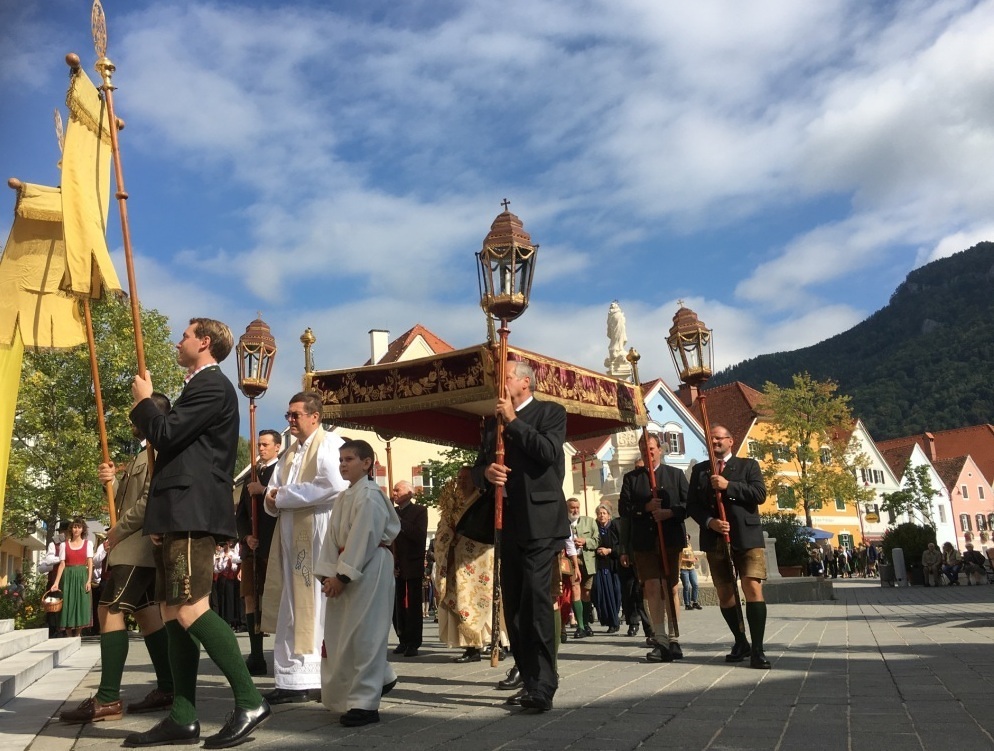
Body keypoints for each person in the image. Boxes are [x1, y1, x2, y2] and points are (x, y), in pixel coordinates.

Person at [124, 317, 268, 749]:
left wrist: (145, 402)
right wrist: (159, 518)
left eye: (185, 336)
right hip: (177, 511)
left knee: (189, 607)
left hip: (191, 511)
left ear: (204, 342)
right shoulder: (198, 386)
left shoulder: (212, 385)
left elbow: (166, 435)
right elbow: (180, 452)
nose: (178, 342)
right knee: (172, 612)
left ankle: (250, 700)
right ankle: (183, 718)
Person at [60, 395, 176, 725]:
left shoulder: (157, 452)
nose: (132, 416)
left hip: (136, 546)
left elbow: (149, 501)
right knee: (147, 613)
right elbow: (124, 501)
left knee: (109, 609)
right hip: (130, 544)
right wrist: (109, 483)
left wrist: (117, 532)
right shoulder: (141, 453)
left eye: (138, 410)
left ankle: (108, 698)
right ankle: (169, 688)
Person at [473, 358, 569, 713]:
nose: (501, 383)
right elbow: (476, 468)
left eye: (507, 377)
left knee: (535, 601)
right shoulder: (491, 424)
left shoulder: (550, 413)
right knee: (513, 605)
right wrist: (487, 472)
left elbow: (547, 452)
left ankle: (544, 683)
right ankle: (529, 679)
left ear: (525, 383)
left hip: (540, 522)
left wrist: (513, 421)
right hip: (507, 521)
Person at [261, 391, 348, 704]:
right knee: (291, 603)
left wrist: (283, 497)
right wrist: (273, 500)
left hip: (318, 530)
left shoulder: (330, 445)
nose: (290, 420)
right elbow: (272, 489)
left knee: (315, 603)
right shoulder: (289, 452)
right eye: (288, 415)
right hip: (290, 532)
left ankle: (315, 676)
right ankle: (291, 679)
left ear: (315, 416)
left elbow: (334, 484)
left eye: (295, 415)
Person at [316, 439, 401, 727]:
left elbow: (365, 536)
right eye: (340, 460)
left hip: (370, 565)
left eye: (349, 459)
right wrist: (328, 575)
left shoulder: (370, 496)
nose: (342, 464)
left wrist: (342, 576)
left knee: (367, 633)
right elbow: (331, 538)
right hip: (347, 566)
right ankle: (382, 677)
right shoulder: (344, 496)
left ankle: (365, 703)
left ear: (367, 463)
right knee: (344, 634)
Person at [687, 424, 770, 670]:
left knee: (751, 586)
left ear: (730, 441)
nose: (715, 443)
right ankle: (740, 641)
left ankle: (758, 649)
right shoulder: (700, 471)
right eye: (711, 439)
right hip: (715, 538)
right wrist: (709, 521)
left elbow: (759, 494)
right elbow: (692, 505)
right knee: (725, 592)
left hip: (746, 536)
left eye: (719, 439)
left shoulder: (748, 465)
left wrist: (728, 486)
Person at [618, 433, 689, 662]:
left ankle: (674, 637)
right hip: (645, 541)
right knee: (651, 587)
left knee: (671, 587)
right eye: (643, 448)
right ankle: (660, 639)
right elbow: (624, 509)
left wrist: (670, 512)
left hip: (670, 539)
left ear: (659, 449)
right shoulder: (632, 478)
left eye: (650, 448)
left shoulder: (675, 474)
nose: (647, 452)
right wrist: (645, 508)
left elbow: (688, 505)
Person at [434, 467, 508, 663]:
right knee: (463, 602)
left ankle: (497, 644)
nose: (461, 481)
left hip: (482, 562)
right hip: (460, 564)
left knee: (489, 601)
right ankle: (471, 648)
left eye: (466, 478)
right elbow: (442, 531)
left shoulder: (483, 501)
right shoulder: (453, 504)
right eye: (459, 478)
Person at [235, 428, 281, 676]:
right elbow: (241, 514)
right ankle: (256, 655)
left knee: (275, 597)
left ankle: (283, 653)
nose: (261, 449)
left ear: (277, 447)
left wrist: (262, 489)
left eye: (265, 445)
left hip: (274, 545)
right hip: (252, 547)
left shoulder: (281, 471)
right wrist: (246, 536)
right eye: (259, 445)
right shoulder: (250, 475)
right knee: (250, 597)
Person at [391, 480, 429, 657]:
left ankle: (413, 642)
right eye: (393, 490)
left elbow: (419, 536)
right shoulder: (392, 512)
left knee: (413, 606)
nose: (394, 493)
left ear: (409, 493)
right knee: (397, 606)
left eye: (397, 490)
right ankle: (402, 638)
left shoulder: (419, 511)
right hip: (395, 565)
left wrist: (399, 522)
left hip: (412, 564)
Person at [51, 517, 93, 638]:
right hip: (68, 577)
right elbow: (62, 564)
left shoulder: (88, 544)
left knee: (82, 603)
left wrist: (89, 581)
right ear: (71, 529)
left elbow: (90, 563)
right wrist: (56, 582)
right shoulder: (64, 545)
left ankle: (78, 634)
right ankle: (69, 635)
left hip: (82, 575)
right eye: (74, 527)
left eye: (79, 527)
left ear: (83, 529)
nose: (76, 529)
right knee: (67, 604)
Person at [566, 498, 598, 638]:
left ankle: (586, 624)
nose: (575, 510)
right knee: (575, 590)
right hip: (571, 561)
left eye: (577, 507)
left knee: (586, 592)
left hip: (588, 560)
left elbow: (597, 540)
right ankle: (580, 626)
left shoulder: (589, 522)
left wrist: (585, 541)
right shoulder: (563, 523)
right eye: (572, 507)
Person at [592, 505, 622, 633]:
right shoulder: (595, 529)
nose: (602, 515)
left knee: (615, 593)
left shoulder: (614, 527)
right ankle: (610, 621)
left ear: (609, 515)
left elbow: (620, 545)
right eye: (599, 513)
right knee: (602, 594)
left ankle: (615, 620)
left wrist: (609, 550)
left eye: (604, 513)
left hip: (613, 566)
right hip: (600, 566)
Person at [38, 521, 70, 637]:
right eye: (63, 531)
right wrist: (62, 559)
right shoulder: (54, 543)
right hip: (55, 581)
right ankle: (54, 630)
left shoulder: (74, 543)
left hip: (69, 580)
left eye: (67, 531)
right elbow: (48, 560)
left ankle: (66, 629)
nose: (64, 534)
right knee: (53, 607)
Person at [679, 535, 702, 611]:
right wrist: (689, 560)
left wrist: (694, 558)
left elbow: (691, 555)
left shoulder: (689, 546)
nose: (686, 540)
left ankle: (694, 602)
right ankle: (687, 604)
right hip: (684, 569)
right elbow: (680, 558)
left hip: (691, 568)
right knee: (687, 587)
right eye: (685, 538)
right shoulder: (681, 547)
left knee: (695, 584)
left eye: (687, 538)